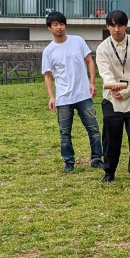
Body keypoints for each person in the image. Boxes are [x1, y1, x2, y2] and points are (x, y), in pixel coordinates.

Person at [42, 12, 102, 173]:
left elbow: (90, 61)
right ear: (50, 28)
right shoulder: (48, 51)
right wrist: (51, 96)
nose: (59, 27)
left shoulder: (78, 41)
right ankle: (69, 161)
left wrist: (92, 83)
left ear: (65, 25)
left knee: (93, 129)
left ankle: (97, 158)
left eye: (61, 23)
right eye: (55, 25)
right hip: (63, 98)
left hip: (83, 94)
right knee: (64, 133)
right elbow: (47, 75)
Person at [95, 10, 130, 185]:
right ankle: (109, 171)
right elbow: (105, 73)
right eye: (112, 25)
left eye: (120, 25)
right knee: (111, 139)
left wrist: (126, 91)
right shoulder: (103, 48)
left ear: (126, 26)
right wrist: (114, 88)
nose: (116, 29)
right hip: (112, 99)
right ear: (107, 27)